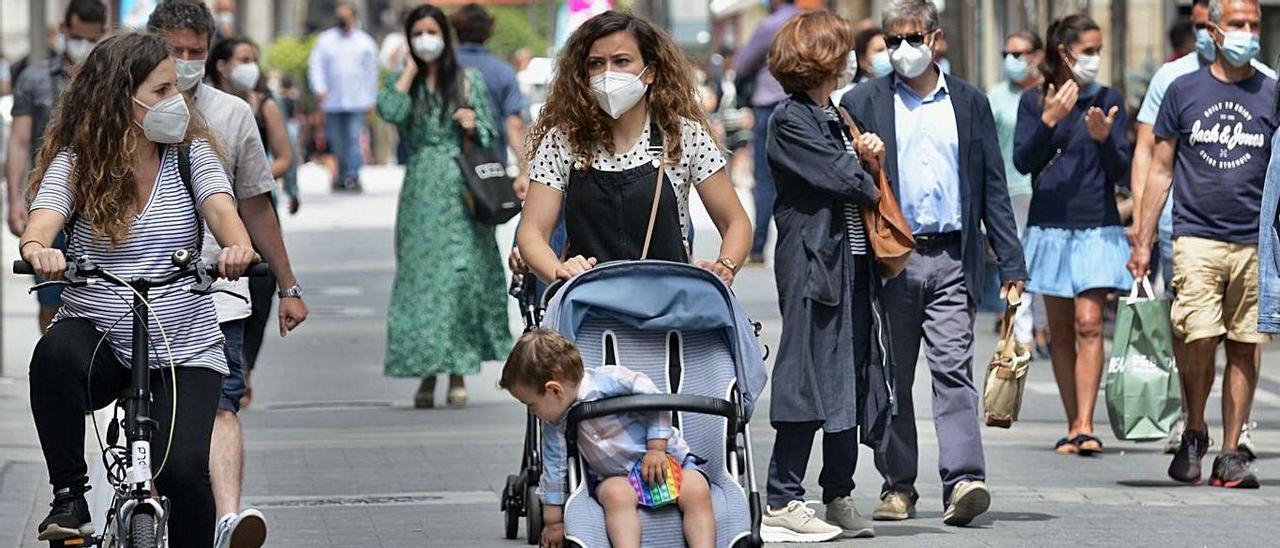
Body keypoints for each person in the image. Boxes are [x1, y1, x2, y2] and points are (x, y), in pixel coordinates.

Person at [19, 32, 258, 547]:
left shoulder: (191, 154)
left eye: (176, 88)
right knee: (53, 355)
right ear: (119, 97)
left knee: (184, 474)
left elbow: (223, 212)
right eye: (161, 90)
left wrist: (235, 248)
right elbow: (42, 221)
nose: (176, 101)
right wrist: (41, 248)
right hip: (101, 333)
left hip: (183, 341)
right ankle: (69, 496)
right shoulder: (79, 161)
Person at [841, 0, 1026, 526]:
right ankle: (898, 485)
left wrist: (1010, 264)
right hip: (892, 259)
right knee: (894, 374)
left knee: (953, 369)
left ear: (935, 37)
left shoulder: (968, 102)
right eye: (892, 39)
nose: (902, 50)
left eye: (912, 38)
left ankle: (964, 479)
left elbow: (992, 185)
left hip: (952, 258)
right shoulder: (862, 102)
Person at [148, 2, 311, 546]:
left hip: (216, 291)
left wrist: (288, 285)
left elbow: (257, 206)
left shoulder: (231, 114)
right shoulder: (114, 110)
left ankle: (226, 518)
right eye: (176, 52)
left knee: (221, 403)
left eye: (197, 52)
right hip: (136, 293)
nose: (188, 63)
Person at [1128, 0, 1273, 490]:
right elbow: (1161, 168)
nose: (1248, 33)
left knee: (1245, 345)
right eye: (1237, 24)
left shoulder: (1272, 91)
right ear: (1213, 29)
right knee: (1198, 337)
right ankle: (1194, 425)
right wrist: (1143, 240)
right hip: (1195, 236)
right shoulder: (1182, 88)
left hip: (1254, 241)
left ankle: (1230, 452)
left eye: (1254, 24)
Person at [760, 10, 892, 542]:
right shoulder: (791, 119)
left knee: (852, 376)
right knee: (806, 373)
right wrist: (863, 164)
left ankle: (837, 493)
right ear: (824, 58)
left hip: (854, 266)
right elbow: (849, 183)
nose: (851, 59)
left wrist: (862, 154)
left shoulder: (836, 116)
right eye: (843, 50)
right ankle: (782, 497)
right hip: (815, 263)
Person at [515, 11, 751, 287]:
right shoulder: (563, 141)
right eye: (596, 64)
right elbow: (532, 232)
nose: (608, 74)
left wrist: (725, 265)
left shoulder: (683, 135)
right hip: (587, 307)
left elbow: (735, 221)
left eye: (622, 61)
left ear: (649, 72)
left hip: (670, 308)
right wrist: (558, 270)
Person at [377, 4, 510, 409]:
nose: (425, 40)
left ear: (445, 35)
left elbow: (491, 129)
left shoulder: (468, 80)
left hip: (462, 190)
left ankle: (457, 371)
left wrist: (473, 123)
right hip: (421, 192)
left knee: (460, 280)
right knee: (422, 282)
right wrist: (410, 69)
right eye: (417, 33)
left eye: (431, 32)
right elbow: (390, 111)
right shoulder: (406, 83)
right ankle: (426, 371)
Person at [1013, 14, 1131, 457]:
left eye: (1099, 50)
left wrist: (1104, 138)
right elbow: (1024, 163)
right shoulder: (1034, 100)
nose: (1094, 59)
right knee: (1061, 330)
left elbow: (1123, 171)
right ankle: (1071, 423)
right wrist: (1049, 120)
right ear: (1063, 53)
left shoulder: (1109, 99)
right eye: (1088, 50)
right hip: (1050, 225)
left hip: (1097, 224)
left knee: (1089, 323)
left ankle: (1086, 422)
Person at [499, 329, 715, 548]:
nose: (532, 412)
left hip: (665, 463)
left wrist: (656, 448)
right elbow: (554, 470)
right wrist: (553, 522)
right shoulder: (555, 425)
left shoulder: (609, 380)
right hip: (616, 477)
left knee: (696, 489)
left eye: (531, 404)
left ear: (554, 390)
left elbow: (656, 399)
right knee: (614, 496)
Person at [5, 0, 107, 334]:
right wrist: (15, 202)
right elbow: (19, 141)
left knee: (102, 298)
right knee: (51, 298)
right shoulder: (35, 78)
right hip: (48, 203)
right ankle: (55, 366)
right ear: (63, 30)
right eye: (78, 37)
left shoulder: (112, 82)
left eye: (92, 40)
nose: (84, 46)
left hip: (100, 206)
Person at [207, 36, 295, 410]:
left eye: (253, 59)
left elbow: (285, 158)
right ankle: (228, 374)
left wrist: (248, 178)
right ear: (222, 64)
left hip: (253, 206)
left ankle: (243, 369)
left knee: (258, 293)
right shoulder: (196, 108)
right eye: (243, 58)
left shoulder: (263, 105)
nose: (250, 66)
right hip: (213, 213)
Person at [988, 30, 1047, 356]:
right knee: (1018, 261)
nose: (1012, 60)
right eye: (1006, 54)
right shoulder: (995, 97)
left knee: (1042, 260)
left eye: (1020, 53)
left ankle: (1043, 327)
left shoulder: (1048, 94)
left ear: (1037, 55)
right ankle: (1022, 332)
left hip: (1044, 190)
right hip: (1009, 191)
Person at [734, 0, 802, 264]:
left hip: (769, 106)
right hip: (805, 103)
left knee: (764, 179)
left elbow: (742, 64)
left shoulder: (770, 25)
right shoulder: (806, 22)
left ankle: (759, 246)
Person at [451, 3, 531, 197]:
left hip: (449, 164)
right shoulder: (503, 72)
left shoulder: (443, 68)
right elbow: (514, 125)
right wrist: (524, 170)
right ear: (488, 31)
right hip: (489, 167)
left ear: (456, 30)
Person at [308, 1, 379, 192]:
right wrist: (319, 88)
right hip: (332, 100)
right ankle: (340, 175)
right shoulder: (325, 40)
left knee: (354, 139)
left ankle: (353, 175)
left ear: (354, 18)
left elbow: (371, 72)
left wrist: (372, 98)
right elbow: (316, 66)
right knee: (337, 141)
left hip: (357, 100)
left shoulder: (365, 42)